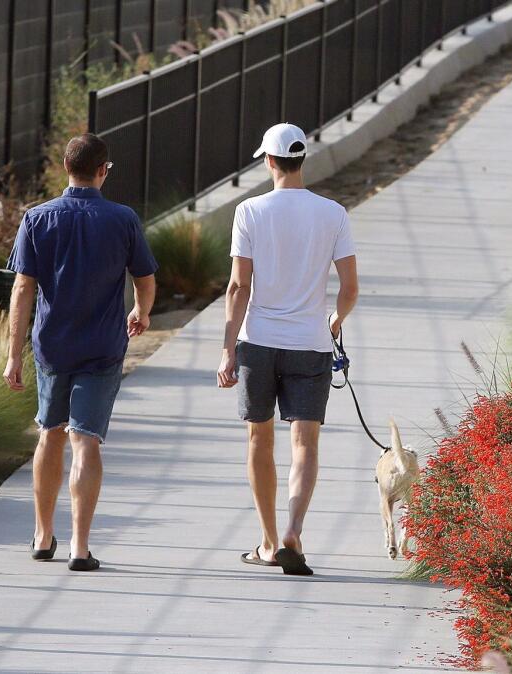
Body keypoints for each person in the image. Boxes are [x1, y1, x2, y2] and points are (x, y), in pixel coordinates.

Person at [3, 132, 158, 572]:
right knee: (86, 441)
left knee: (49, 432)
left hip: (52, 344)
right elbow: (145, 278)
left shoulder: (37, 219)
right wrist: (140, 311)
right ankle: (80, 546)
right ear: (103, 170)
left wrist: (13, 354)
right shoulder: (123, 219)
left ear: (65, 168)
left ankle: (42, 533)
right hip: (103, 346)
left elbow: (22, 288)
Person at [217, 123, 359, 576]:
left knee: (260, 438)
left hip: (258, 342)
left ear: (270, 161)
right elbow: (350, 287)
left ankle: (267, 540)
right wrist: (335, 322)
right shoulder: (333, 213)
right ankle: (294, 530)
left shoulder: (250, 211)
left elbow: (239, 285)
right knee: (305, 442)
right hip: (310, 345)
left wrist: (226, 348)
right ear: (301, 160)